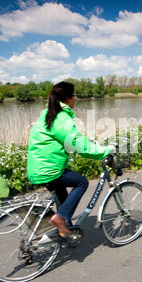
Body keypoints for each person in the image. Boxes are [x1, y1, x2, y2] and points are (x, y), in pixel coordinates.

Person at [27, 82, 113, 236]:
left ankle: (66, 231)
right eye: (75, 95)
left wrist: (84, 141)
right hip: (49, 170)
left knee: (63, 198)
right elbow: (79, 146)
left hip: (38, 167)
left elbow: (67, 139)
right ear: (67, 98)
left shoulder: (48, 113)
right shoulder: (61, 118)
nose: (75, 99)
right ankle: (60, 219)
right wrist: (105, 150)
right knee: (81, 182)